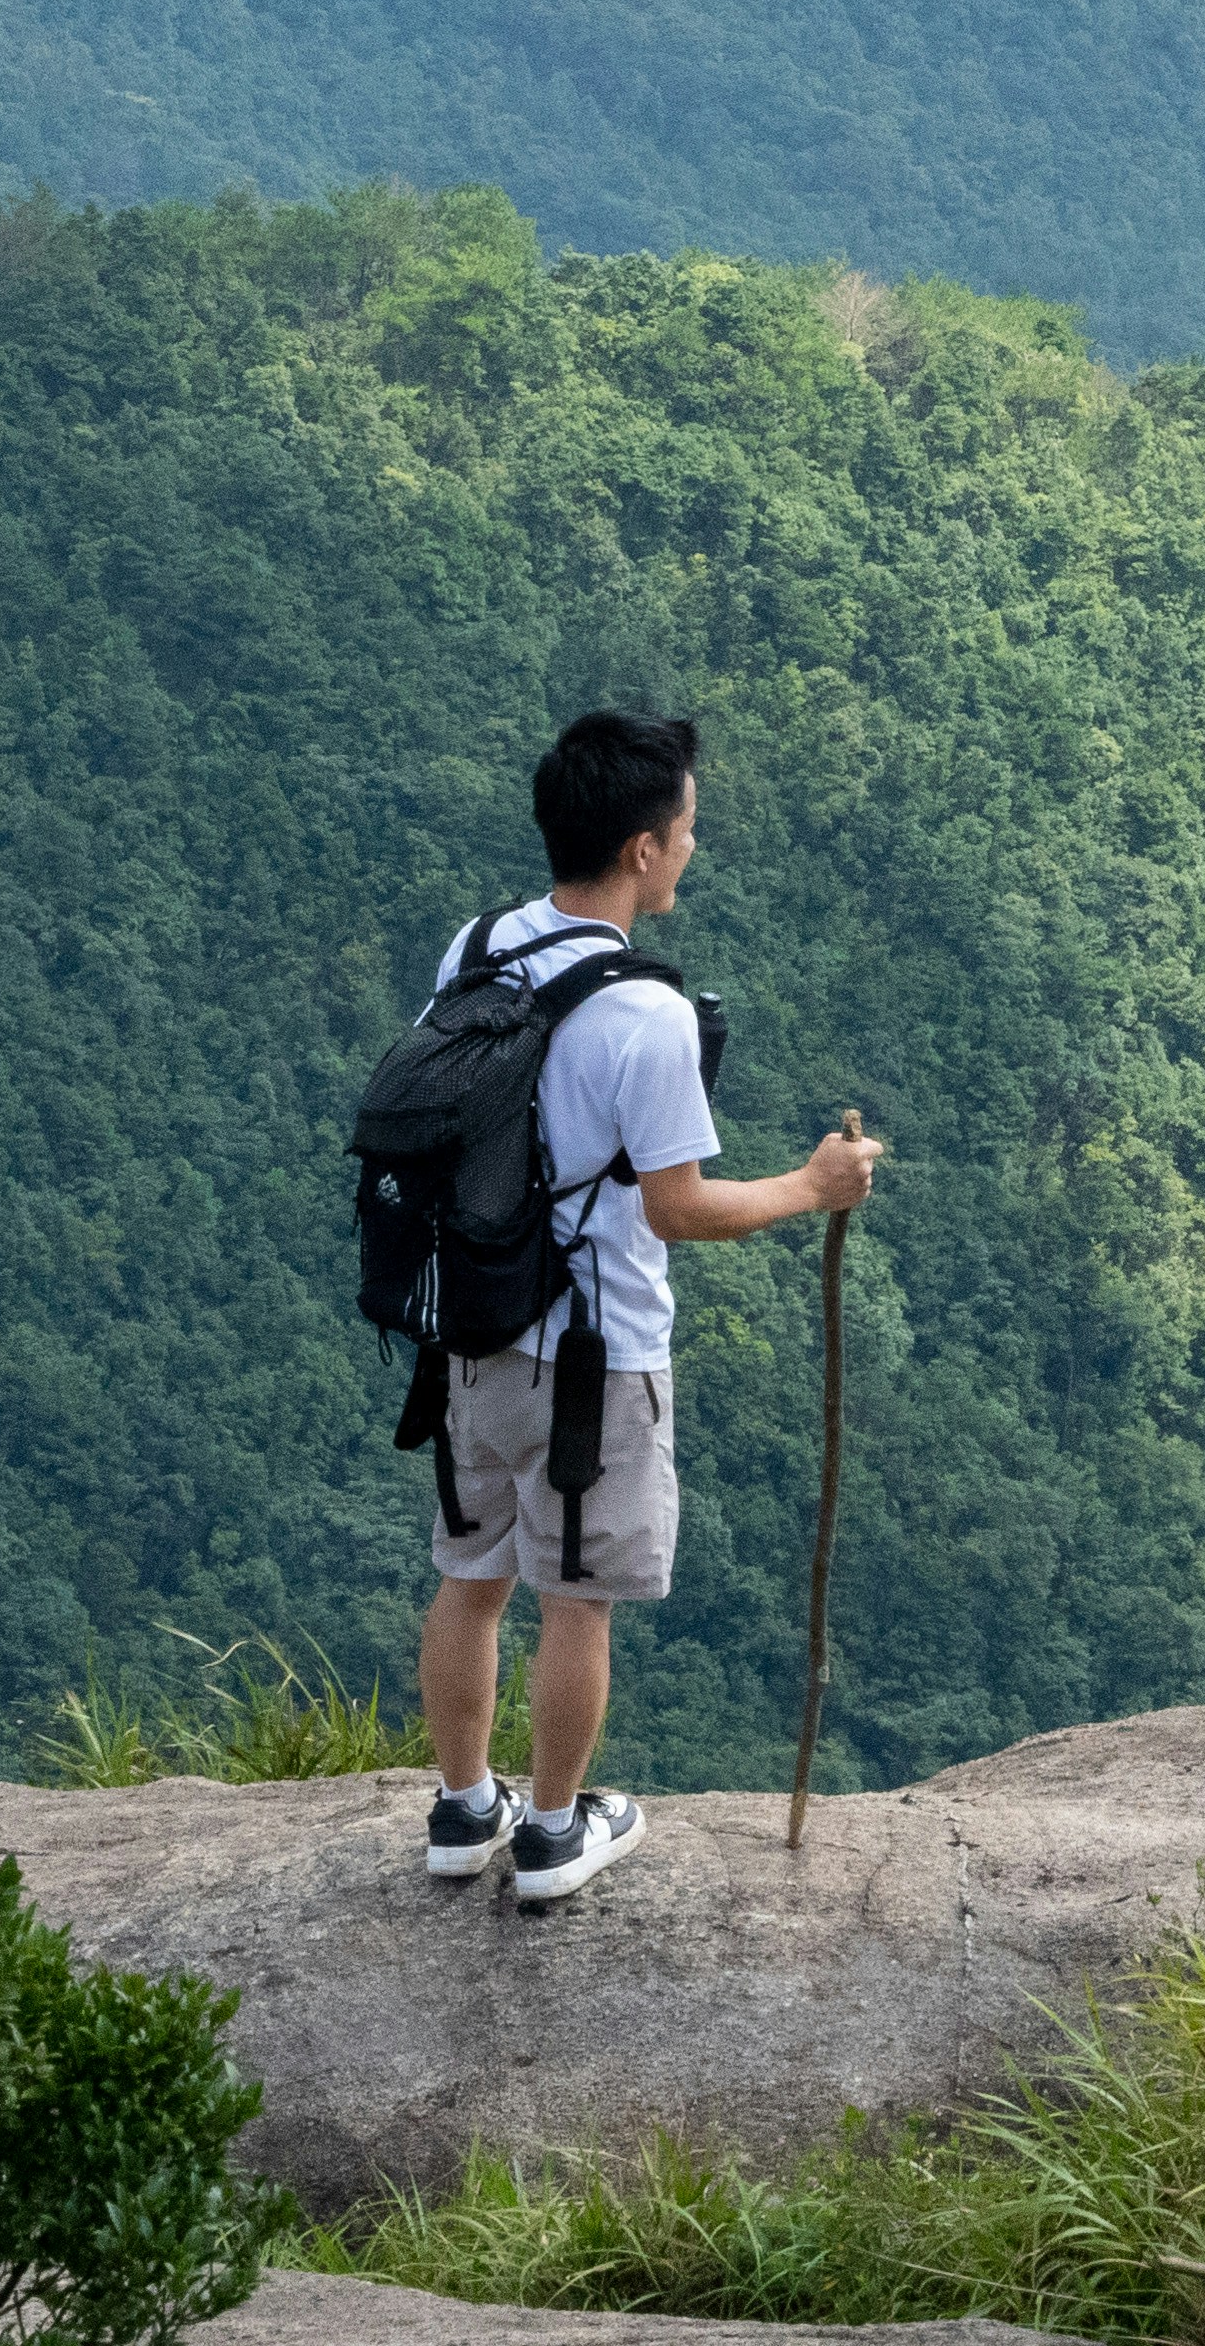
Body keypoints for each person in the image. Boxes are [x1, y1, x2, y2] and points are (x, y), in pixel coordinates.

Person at [414, 709, 879, 1903]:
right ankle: (556, 1835)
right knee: (579, 1595)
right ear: (638, 846)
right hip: (598, 1354)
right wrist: (813, 1184)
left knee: (472, 1577)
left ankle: (466, 1810)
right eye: (684, 828)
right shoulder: (649, 1015)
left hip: (473, 1330)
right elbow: (676, 1207)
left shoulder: (478, 948)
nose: (691, 846)